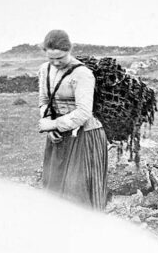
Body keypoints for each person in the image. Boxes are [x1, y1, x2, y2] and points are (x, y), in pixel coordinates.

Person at [37, 30, 109, 209]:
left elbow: (84, 112)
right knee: (53, 189)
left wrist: (54, 125)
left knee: (77, 193)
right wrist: (50, 127)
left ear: (69, 50)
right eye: (51, 58)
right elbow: (44, 101)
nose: (55, 63)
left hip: (85, 136)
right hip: (59, 137)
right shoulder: (44, 69)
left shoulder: (82, 73)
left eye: (60, 58)